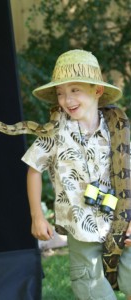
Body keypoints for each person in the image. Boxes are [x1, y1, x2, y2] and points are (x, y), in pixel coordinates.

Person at [21, 49, 131, 299]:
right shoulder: (54, 133)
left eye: (75, 90)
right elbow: (33, 170)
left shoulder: (118, 129)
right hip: (81, 228)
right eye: (60, 93)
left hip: (122, 222)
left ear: (97, 91)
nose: (66, 99)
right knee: (91, 287)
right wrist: (37, 216)